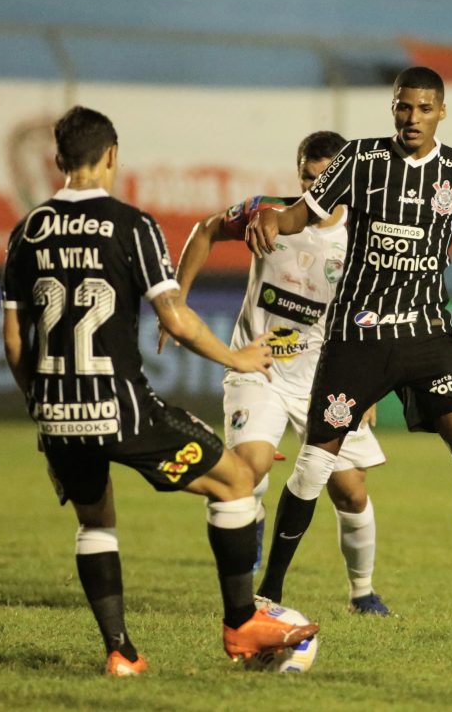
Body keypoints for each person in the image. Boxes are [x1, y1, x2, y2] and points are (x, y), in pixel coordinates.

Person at [1, 105, 318, 676]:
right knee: (237, 480)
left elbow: (15, 344)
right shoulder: (131, 225)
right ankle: (243, 622)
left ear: (57, 160)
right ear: (112, 157)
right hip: (122, 409)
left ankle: (121, 653)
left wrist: (43, 418)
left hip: (57, 414)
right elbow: (174, 318)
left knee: (95, 522)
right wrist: (235, 355)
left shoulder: (26, 231)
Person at [245, 67, 452, 629]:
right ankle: (266, 595)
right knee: (314, 465)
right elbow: (298, 215)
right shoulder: (359, 161)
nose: (413, 118)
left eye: (424, 109)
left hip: (428, 336)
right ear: (393, 108)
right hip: (358, 339)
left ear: (441, 112)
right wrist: (270, 216)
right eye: (404, 108)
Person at [161, 130, 392, 616]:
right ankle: (249, 542)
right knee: (252, 466)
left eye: (324, 179)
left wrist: (370, 385)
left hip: (325, 376)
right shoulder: (266, 213)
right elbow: (205, 230)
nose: (314, 188)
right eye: (307, 177)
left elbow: (373, 313)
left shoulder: (365, 237)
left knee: (350, 491)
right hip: (258, 366)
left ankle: (362, 593)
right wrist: (176, 299)